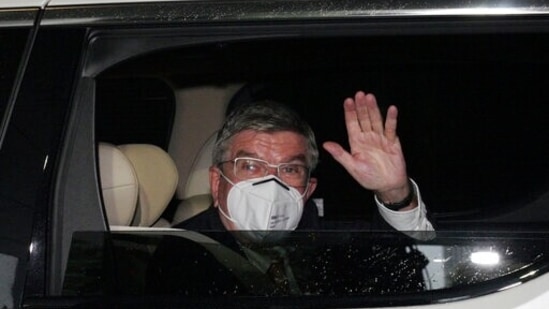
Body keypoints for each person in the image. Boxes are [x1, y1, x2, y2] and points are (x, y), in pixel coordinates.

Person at [147, 91, 433, 296]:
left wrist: (394, 192)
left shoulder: (331, 244)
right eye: (250, 166)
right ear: (216, 181)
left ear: (308, 189)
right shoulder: (182, 255)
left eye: (290, 170)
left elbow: (412, 272)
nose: (271, 183)